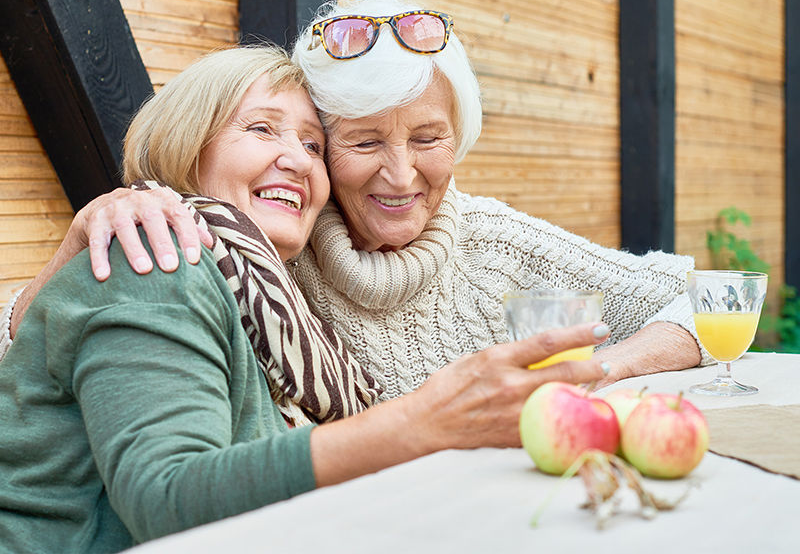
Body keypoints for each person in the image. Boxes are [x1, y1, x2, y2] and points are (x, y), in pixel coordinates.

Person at [0, 45, 608, 553]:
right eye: (262, 128)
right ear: (188, 146)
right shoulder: (155, 260)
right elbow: (167, 498)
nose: (296, 160)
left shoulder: (270, 297)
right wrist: (423, 422)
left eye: (315, 146)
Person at [1, 0, 708, 392]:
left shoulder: (493, 239)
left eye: (427, 140)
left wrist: (598, 370)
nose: (400, 176)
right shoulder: (270, 250)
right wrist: (72, 246)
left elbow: (705, 301)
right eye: (364, 143)